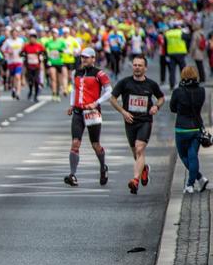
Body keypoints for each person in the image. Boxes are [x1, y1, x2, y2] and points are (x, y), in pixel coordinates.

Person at [110, 55, 166, 194]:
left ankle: (135, 180)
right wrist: (123, 112)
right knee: (136, 153)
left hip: (145, 121)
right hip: (130, 121)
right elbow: (112, 99)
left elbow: (161, 98)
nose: (137, 68)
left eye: (140, 65)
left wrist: (156, 107)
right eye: (135, 65)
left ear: (145, 68)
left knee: (139, 148)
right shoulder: (125, 83)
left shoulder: (151, 84)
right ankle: (144, 169)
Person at [64, 48, 112, 188]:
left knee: (95, 144)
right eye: (82, 57)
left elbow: (109, 91)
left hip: (92, 112)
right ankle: (73, 175)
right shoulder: (76, 72)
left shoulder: (99, 74)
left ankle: (103, 167)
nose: (83, 59)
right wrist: (72, 104)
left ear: (93, 58)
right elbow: (74, 89)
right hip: (78, 112)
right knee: (75, 143)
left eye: (86, 57)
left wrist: (96, 102)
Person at [170, 66, 208, 194]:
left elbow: (172, 108)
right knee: (193, 156)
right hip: (196, 127)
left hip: (182, 128)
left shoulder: (178, 92)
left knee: (183, 155)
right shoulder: (202, 91)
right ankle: (192, 184)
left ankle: (198, 179)